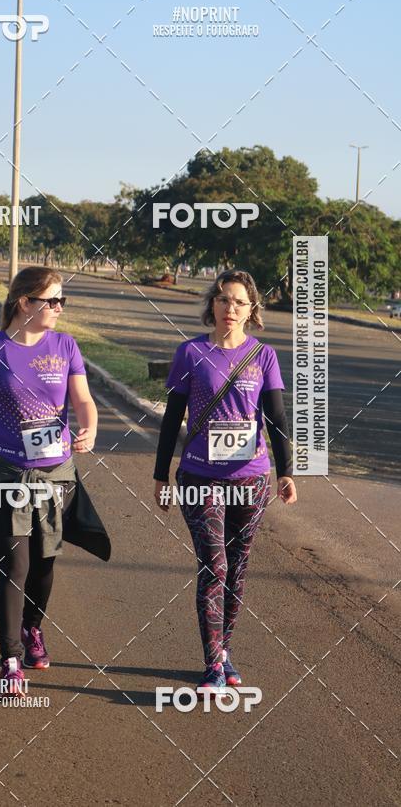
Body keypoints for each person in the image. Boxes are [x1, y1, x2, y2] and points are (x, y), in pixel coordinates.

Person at [0, 266, 100, 689]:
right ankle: (10, 661)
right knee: (15, 564)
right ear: (24, 302)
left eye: (62, 300)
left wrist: (90, 427)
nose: (60, 308)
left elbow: (82, 400)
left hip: (55, 473)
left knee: (45, 563)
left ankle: (33, 627)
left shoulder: (65, 346)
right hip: (6, 471)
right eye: (53, 301)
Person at [153, 269, 297, 691]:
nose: (229, 308)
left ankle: (225, 650)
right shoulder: (190, 353)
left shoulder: (264, 356)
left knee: (236, 568)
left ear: (251, 309)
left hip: (250, 478)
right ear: (211, 307)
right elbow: (171, 419)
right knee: (214, 564)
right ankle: (213, 664)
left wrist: (285, 471)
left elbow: (275, 419)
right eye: (222, 300)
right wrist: (161, 475)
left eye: (238, 302)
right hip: (199, 474)